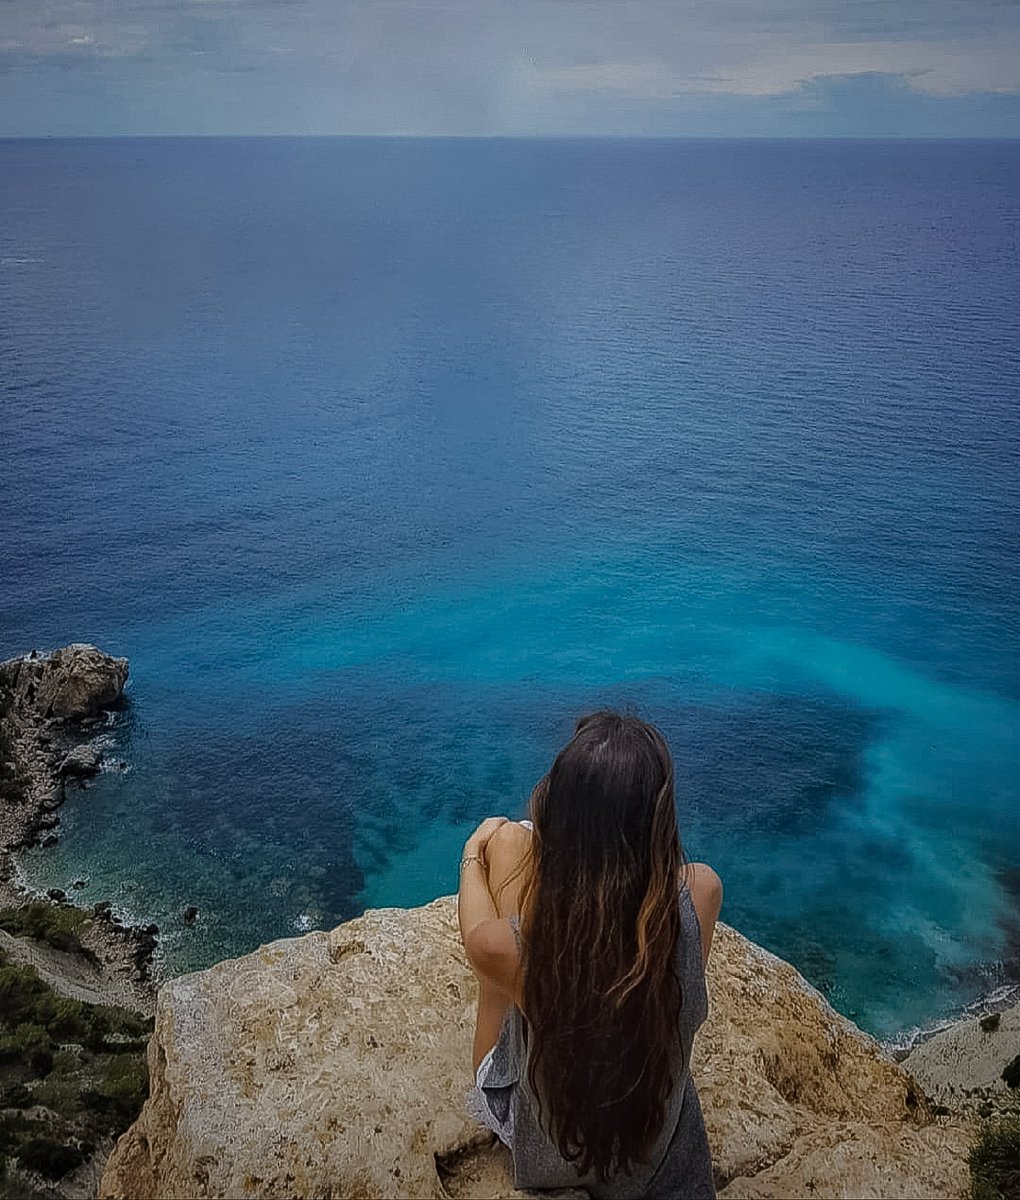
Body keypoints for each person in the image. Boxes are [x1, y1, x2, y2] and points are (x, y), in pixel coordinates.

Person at [458, 711, 723, 1199]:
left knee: (507, 849)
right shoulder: (702, 894)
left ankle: (509, 987)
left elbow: (477, 932)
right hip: (650, 1157)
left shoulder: (504, 948)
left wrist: (473, 855)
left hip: (550, 1156)